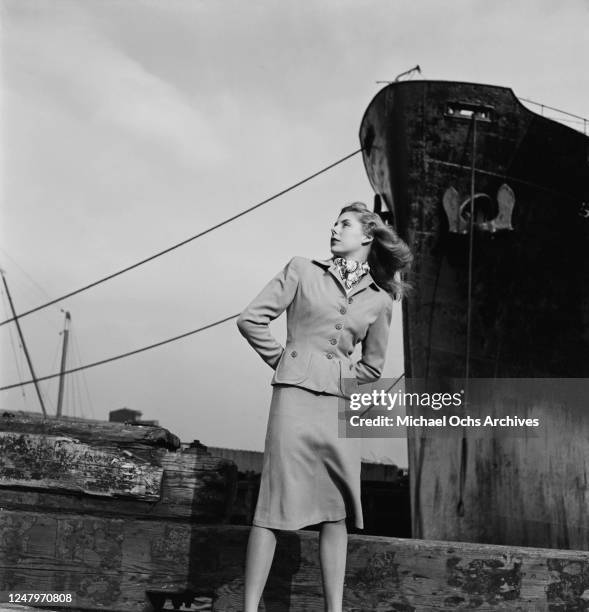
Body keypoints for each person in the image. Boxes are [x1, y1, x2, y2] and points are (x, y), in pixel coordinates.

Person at [236, 201, 413, 611]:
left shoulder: (380, 300)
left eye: (345, 224)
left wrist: (339, 376)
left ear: (367, 236)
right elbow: (250, 319)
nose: (334, 229)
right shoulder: (301, 269)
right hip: (293, 399)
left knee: (336, 513)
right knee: (271, 507)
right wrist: (286, 361)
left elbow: (372, 366)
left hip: (338, 408)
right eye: (333, 223)